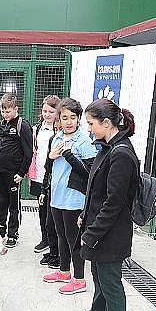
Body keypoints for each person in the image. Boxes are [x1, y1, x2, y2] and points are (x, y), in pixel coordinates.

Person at [77, 98, 138, 311]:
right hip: (100, 228)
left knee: (111, 284)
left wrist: (91, 234)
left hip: (111, 234)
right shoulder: (108, 147)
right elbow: (97, 191)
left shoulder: (121, 154)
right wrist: (85, 215)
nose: (89, 129)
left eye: (91, 124)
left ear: (106, 123)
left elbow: (114, 203)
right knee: (99, 277)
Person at [42, 98, 97, 295]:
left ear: (79, 118)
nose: (69, 122)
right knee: (61, 236)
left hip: (74, 199)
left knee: (74, 239)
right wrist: (51, 158)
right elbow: (49, 168)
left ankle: (79, 279)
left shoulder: (84, 141)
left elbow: (89, 173)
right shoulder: (56, 138)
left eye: (73, 117)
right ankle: (64, 272)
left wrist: (68, 155)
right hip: (56, 196)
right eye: (64, 118)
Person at [0, 93, 33, 248]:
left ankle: (12, 234)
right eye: (2, 111)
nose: (4, 114)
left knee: (13, 205)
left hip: (13, 174)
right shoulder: (4, 123)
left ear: (16, 108)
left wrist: (21, 173)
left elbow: (28, 153)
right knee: (0, 202)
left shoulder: (23, 125)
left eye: (7, 111)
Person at [29, 95, 60, 255]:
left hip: (55, 177)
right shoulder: (37, 129)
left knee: (54, 213)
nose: (47, 114)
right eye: (45, 111)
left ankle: (56, 243)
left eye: (51, 111)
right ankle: (45, 239)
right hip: (39, 175)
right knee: (42, 210)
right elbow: (34, 152)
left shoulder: (60, 130)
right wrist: (31, 174)